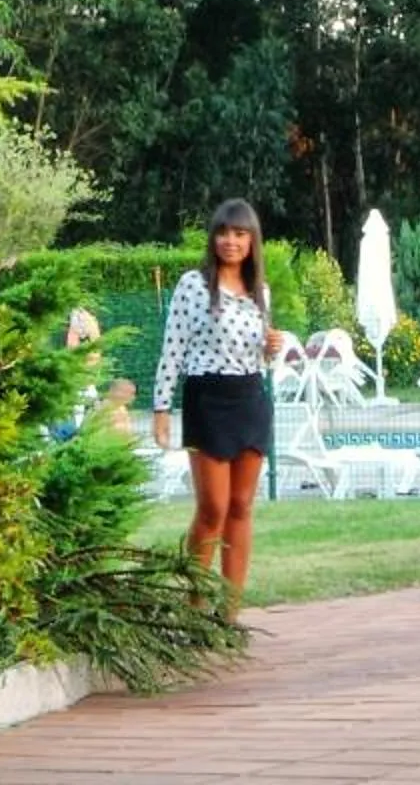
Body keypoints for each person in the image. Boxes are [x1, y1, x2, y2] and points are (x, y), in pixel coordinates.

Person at [151, 199, 293, 613]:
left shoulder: (259, 291)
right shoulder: (193, 285)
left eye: (240, 233)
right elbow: (172, 350)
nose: (231, 241)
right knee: (212, 507)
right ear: (214, 238)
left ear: (252, 241)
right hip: (207, 400)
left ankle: (229, 608)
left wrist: (272, 347)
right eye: (224, 233)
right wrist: (161, 409)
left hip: (250, 399)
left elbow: (258, 355)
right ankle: (195, 599)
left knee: (241, 505)